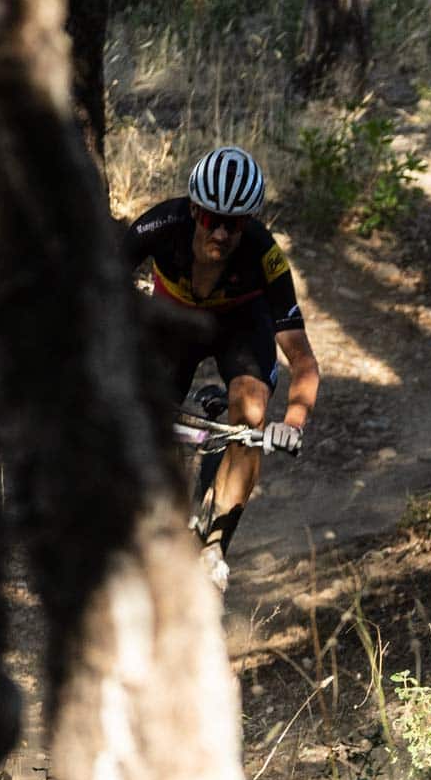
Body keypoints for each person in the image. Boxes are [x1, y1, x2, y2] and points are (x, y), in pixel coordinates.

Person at [123, 144, 321, 590]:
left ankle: (214, 547)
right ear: (195, 210)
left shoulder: (265, 255)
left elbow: (304, 361)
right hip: (175, 323)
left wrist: (293, 423)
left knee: (250, 412)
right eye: (213, 219)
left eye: (235, 223)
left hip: (241, 327)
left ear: (248, 222)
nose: (223, 233)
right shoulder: (159, 225)